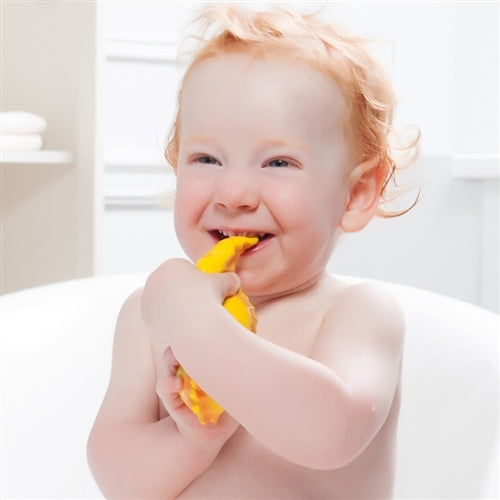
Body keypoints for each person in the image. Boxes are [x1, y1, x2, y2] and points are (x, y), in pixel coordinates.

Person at [87, 3, 419, 498]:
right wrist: (191, 440)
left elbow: (329, 435)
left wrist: (194, 324)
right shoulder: (146, 316)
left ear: (355, 194)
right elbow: (118, 480)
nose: (233, 193)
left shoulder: (357, 312)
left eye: (278, 162)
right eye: (206, 158)